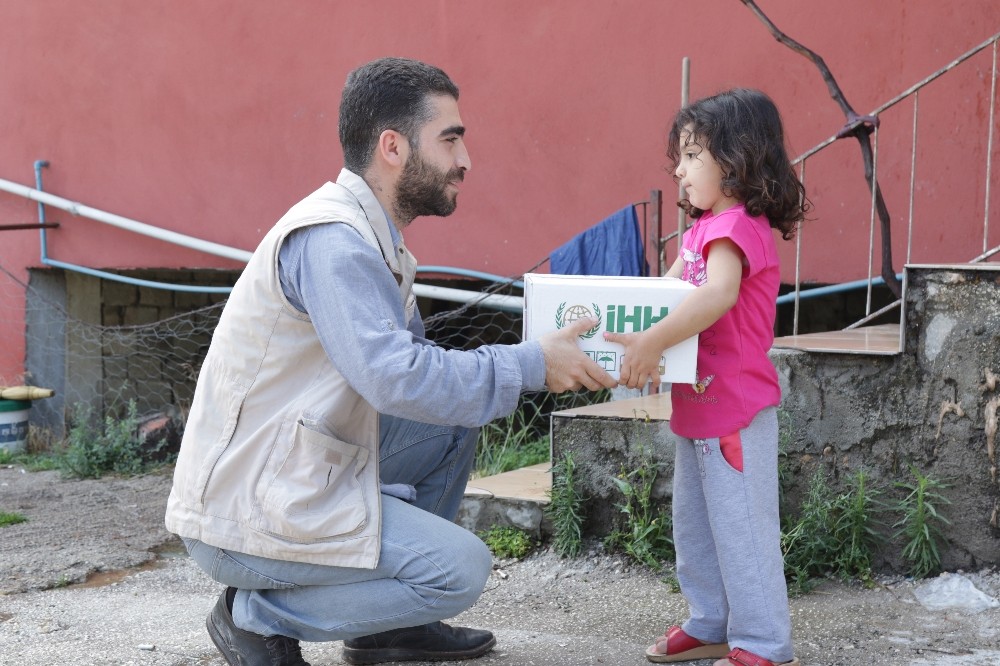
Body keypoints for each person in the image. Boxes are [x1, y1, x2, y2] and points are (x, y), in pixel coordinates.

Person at [164, 56, 616, 666]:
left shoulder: (374, 236)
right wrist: (530, 364)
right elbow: (396, 377)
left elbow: (421, 383)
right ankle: (253, 616)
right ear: (394, 147)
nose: (466, 160)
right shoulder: (333, 243)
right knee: (459, 570)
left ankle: (388, 628)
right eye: (450, 139)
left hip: (290, 470)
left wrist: (533, 361)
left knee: (451, 420)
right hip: (242, 516)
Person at [604, 88, 807, 666]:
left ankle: (764, 644)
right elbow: (667, 302)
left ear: (737, 158)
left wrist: (653, 343)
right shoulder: (701, 231)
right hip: (697, 411)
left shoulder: (738, 229)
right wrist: (635, 343)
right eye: (680, 156)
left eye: (692, 155)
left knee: (742, 533)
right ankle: (711, 621)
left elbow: (716, 296)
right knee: (695, 529)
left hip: (736, 417)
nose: (679, 168)